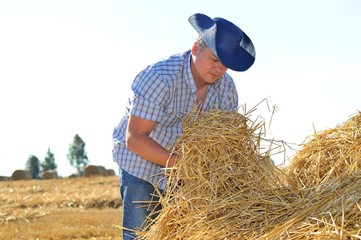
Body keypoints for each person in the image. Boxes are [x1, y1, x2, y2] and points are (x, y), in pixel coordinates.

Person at [112, 13, 256, 240]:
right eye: (214, 60)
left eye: (225, 65)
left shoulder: (226, 89)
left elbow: (225, 142)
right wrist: (185, 165)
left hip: (186, 175)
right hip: (141, 167)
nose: (219, 70)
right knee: (141, 236)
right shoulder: (160, 78)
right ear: (195, 49)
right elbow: (135, 138)